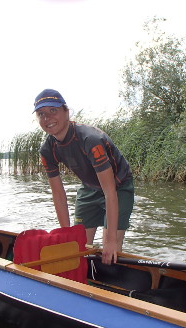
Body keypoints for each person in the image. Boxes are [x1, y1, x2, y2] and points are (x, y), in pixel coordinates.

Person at [34, 88, 134, 265]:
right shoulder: (47, 150)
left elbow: (110, 192)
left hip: (118, 186)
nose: (47, 118)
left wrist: (110, 241)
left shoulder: (90, 139)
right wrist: (65, 235)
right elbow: (58, 195)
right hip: (89, 187)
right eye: (41, 114)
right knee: (76, 245)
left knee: (110, 250)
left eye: (53, 111)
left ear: (66, 112)